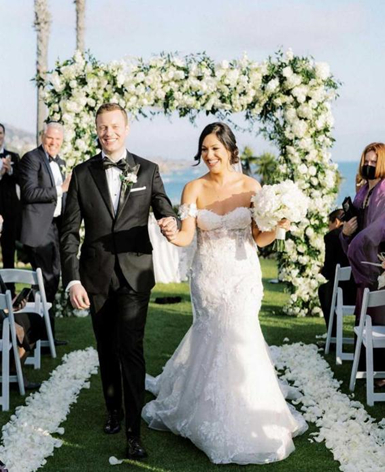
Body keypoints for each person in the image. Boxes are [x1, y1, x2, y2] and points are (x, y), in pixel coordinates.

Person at [143, 122, 307, 465]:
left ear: (231, 150)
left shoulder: (251, 187)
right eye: (204, 149)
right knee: (213, 337)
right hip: (208, 277)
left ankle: (250, 413)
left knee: (242, 337)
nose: (209, 155)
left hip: (243, 275)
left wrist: (277, 226)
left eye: (215, 148)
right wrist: (171, 233)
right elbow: (188, 236)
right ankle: (203, 410)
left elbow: (258, 239)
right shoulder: (193, 188)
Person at [60, 103, 178, 460]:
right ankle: (113, 409)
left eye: (114, 126)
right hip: (95, 277)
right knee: (106, 348)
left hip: (135, 275)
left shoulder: (148, 170)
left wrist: (169, 221)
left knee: (131, 347)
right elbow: (68, 234)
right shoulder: (81, 174)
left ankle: (134, 430)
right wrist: (73, 281)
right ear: (97, 130)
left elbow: (163, 207)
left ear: (126, 129)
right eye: (102, 127)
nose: (108, 132)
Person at [19, 122, 71, 345]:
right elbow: (29, 193)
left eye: (58, 140)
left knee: (52, 280)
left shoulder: (60, 162)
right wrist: (61, 189)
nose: (54, 143)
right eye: (51, 138)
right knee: (45, 280)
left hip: (56, 228)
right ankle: (35, 333)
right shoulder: (31, 159)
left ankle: (46, 335)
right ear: (42, 137)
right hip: (39, 230)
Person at [340, 142, 385, 380]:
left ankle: (379, 372)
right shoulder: (363, 192)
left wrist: (357, 245)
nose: (369, 165)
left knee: (377, 315)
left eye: (373, 162)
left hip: (376, 263)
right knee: (364, 313)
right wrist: (346, 232)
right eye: (366, 161)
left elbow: (380, 227)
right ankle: (365, 366)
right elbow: (353, 221)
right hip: (364, 265)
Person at [318, 209, 356, 341]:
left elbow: (329, 272)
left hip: (343, 293)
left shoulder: (331, 236)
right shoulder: (360, 234)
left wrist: (322, 270)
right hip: (362, 293)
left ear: (337, 221)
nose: (329, 227)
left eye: (330, 223)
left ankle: (333, 336)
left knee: (323, 290)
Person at [0, 124, 22, 295]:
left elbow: (21, 179)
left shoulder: (13, 156)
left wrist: (10, 170)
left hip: (9, 211)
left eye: (0, 133)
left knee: (9, 251)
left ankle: (10, 291)